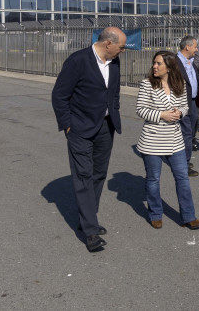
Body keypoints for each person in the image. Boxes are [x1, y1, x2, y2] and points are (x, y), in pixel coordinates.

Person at [51, 26, 126, 252]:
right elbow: (59, 95)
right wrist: (67, 125)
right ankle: (91, 232)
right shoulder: (78, 61)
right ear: (108, 44)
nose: (123, 51)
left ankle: (86, 219)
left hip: (105, 126)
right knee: (83, 175)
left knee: (98, 174)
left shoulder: (114, 62)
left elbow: (113, 93)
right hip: (80, 128)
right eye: (121, 47)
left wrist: (114, 113)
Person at [135, 51, 199, 230]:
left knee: (182, 178)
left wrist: (180, 112)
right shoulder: (147, 84)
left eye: (159, 64)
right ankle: (155, 214)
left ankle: (189, 216)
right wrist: (162, 114)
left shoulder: (178, 83)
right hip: (152, 140)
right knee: (153, 179)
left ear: (169, 67)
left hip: (175, 139)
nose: (154, 66)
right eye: (154, 63)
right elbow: (140, 109)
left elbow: (185, 106)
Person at [175, 36, 199, 177]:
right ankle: (184, 165)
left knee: (190, 131)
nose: (197, 49)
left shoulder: (191, 61)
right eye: (195, 46)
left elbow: (196, 82)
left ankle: (182, 159)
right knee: (186, 133)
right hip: (181, 102)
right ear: (187, 47)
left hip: (192, 101)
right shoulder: (174, 62)